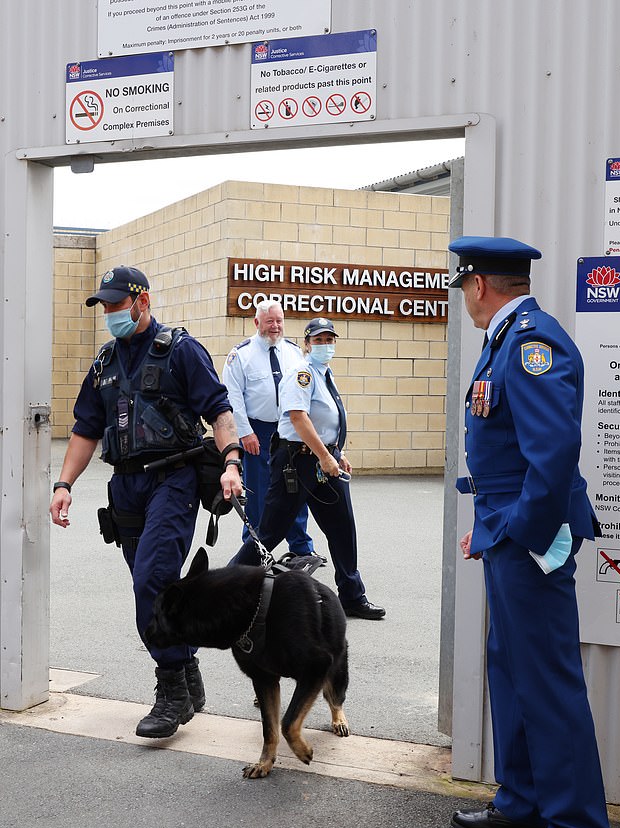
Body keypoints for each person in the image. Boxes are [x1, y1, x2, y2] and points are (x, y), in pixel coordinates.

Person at [448, 237, 610, 828]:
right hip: (507, 528)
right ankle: (524, 801)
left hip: (530, 536)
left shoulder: (531, 342)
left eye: (464, 286)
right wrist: (490, 526)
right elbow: (509, 456)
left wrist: (524, 533)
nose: (465, 297)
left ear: (479, 284)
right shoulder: (506, 339)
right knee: (512, 668)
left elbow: (554, 452)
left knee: (545, 678)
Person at [49, 266, 243, 739]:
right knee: (155, 584)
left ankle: (171, 689)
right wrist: (64, 484)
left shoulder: (181, 351)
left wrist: (232, 462)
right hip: (126, 487)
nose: (110, 313)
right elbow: (85, 430)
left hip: (173, 480)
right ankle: (187, 668)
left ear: (143, 301)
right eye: (105, 306)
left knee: (151, 580)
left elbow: (219, 412)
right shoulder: (104, 363)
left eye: (117, 304)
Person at [230, 317, 385, 620]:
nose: (325, 345)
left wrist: (337, 453)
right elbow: (298, 418)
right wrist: (325, 456)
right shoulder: (302, 374)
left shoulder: (324, 373)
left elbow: (325, 420)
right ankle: (226, 587)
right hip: (297, 462)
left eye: (329, 340)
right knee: (270, 531)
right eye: (318, 340)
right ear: (307, 344)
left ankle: (352, 596)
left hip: (324, 461)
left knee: (342, 528)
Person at [222, 300, 322, 560]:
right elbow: (233, 398)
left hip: (290, 430)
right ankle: (254, 550)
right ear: (257, 322)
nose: (275, 326)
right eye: (270, 321)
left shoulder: (294, 352)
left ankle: (301, 547)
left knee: (295, 488)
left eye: (279, 321)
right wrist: (245, 432)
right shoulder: (241, 355)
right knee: (258, 494)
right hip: (258, 431)